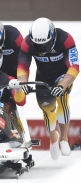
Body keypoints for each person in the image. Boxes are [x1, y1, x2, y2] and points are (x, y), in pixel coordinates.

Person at [16, 17, 79, 160]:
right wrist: (23, 83)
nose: (42, 49)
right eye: (39, 46)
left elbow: (74, 67)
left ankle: (64, 138)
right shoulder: (27, 43)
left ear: (52, 37)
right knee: (47, 109)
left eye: (45, 45)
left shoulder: (65, 39)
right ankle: (53, 138)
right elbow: (22, 67)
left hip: (63, 75)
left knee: (62, 97)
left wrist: (63, 85)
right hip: (43, 77)